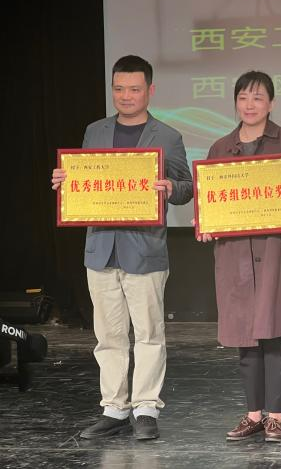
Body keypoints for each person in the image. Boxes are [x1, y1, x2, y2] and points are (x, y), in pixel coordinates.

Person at [51, 55, 193, 440]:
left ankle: (146, 409)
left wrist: (170, 187)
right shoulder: (95, 131)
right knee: (109, 336)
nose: (125, 96)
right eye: (118, 88)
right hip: (100, 248)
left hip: (144, 248)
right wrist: (66, 181)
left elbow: (187, 189)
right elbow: (86, 182)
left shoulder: (167, 136)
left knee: (148, 333)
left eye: (133, 89)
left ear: (150, 90)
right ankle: (114, 409)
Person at [197, 71, 281, 443]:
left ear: (272, 103)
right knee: (245, 336)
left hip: (277, 249)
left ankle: (275, 417)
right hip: (235, 253)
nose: (250, 105)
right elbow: (209, 196)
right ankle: (253, 414)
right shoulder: (221, 147)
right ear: (235, 102)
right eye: (243, 98)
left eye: (258, 98)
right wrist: (205, 222)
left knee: (278, 334)